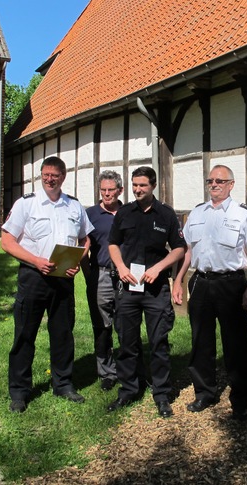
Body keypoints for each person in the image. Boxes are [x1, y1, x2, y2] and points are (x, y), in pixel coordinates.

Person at [1, 156, 94, 413]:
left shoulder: (74, 206)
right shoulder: (26, 204)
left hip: (63, 278)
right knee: (24, 335)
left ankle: (63, 384)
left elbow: (86, 239)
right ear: (40, 176)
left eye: (54, 175)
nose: (49, 179)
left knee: (63, 334)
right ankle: (19, 392)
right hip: (33, 277)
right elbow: (7, 241)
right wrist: (35, 261)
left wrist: (78, 259)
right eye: (45, 175)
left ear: (63, 177)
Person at [172, 165, 247, 420]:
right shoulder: (197, 213)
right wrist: (178, 280)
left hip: (231, 284)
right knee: (201, 340)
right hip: (200, 282)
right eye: (210, 180)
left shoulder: (242, 214)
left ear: (231, 184)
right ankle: (204, 393)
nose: (214, 184)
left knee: (237, 343)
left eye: (220, 181)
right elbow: (187, 251)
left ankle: (241, 399)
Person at [107, 166, 186, 418]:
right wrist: (120, 267)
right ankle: (129, 389)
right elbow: (112, 243)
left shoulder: (166, 214)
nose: (138, 189)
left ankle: (161, 394)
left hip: (155, 288)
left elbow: (179, 248)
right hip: (129, 286)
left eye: (143, 185)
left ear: (153, 186)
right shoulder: (124, 213)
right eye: (135, 185)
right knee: (127, 341)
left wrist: (159, 267)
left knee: (158, 342)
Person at [82, 170, 123, 392]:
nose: (107, 194)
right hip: (101, 275)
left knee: (126, 324)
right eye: (103, 190)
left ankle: (128, 368)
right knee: (102, 326)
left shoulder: (129, 212)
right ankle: (107, 371)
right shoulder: (90, 214)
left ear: (120, 190)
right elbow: (82, 245)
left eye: (111, 190)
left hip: (126, 276)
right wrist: (90, 276)